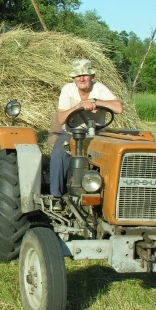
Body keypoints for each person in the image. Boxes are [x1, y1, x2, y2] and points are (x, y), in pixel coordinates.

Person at [49, 59, 123, 202]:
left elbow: (118, 108)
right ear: (74, 79)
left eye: (85, 75)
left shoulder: (99, 88)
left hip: (98, 133)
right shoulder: (67, 89)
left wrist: (96, 102)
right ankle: (56, 197)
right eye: (78, 76)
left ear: (92, 76)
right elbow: (62, 118)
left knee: (113, 155)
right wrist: (79, 106)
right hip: (72, 133)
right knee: (59, 153)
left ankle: (112, 196)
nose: (81, 78)